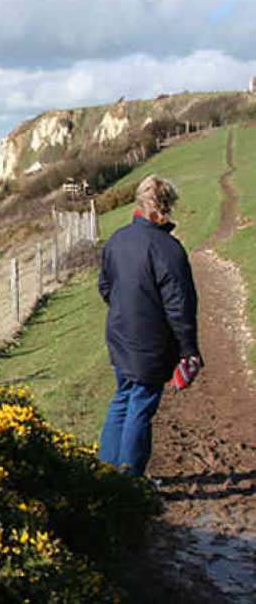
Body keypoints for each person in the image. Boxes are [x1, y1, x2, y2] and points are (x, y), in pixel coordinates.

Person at [97, 174, 202, 476]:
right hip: (151, 342)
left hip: (119, 335)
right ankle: (130, 483)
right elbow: (180, 308)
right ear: (166, 208)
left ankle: (105, 475)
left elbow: (106, 286)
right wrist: (188, 349)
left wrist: (125, 311)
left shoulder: (117, 239)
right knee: (140, 407)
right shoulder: (168, 249)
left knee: (123, 398)